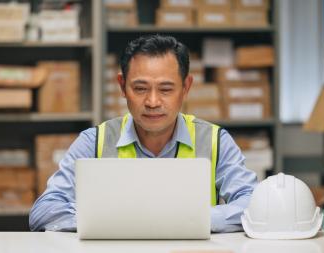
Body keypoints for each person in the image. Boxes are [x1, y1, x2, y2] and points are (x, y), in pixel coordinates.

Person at [29, 34, 257, 232]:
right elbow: (44, 210)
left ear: (186, 87)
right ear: (122, 86)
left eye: (166, 89)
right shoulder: (94, 141)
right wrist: (115, 222)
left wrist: (194, 220)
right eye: (140, 89)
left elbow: (254, 204)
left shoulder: (215, 140)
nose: (153, 102)